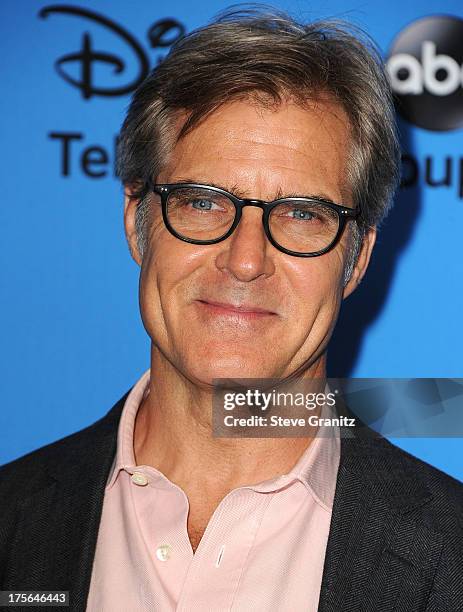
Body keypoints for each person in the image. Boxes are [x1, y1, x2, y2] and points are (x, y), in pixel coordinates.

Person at [1, 7, 462, 611]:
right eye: (203, 202)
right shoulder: (13, 519)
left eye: (301, 213)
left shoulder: (450, 554)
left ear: (357, 258)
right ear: (137, 224)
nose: (245, 260)